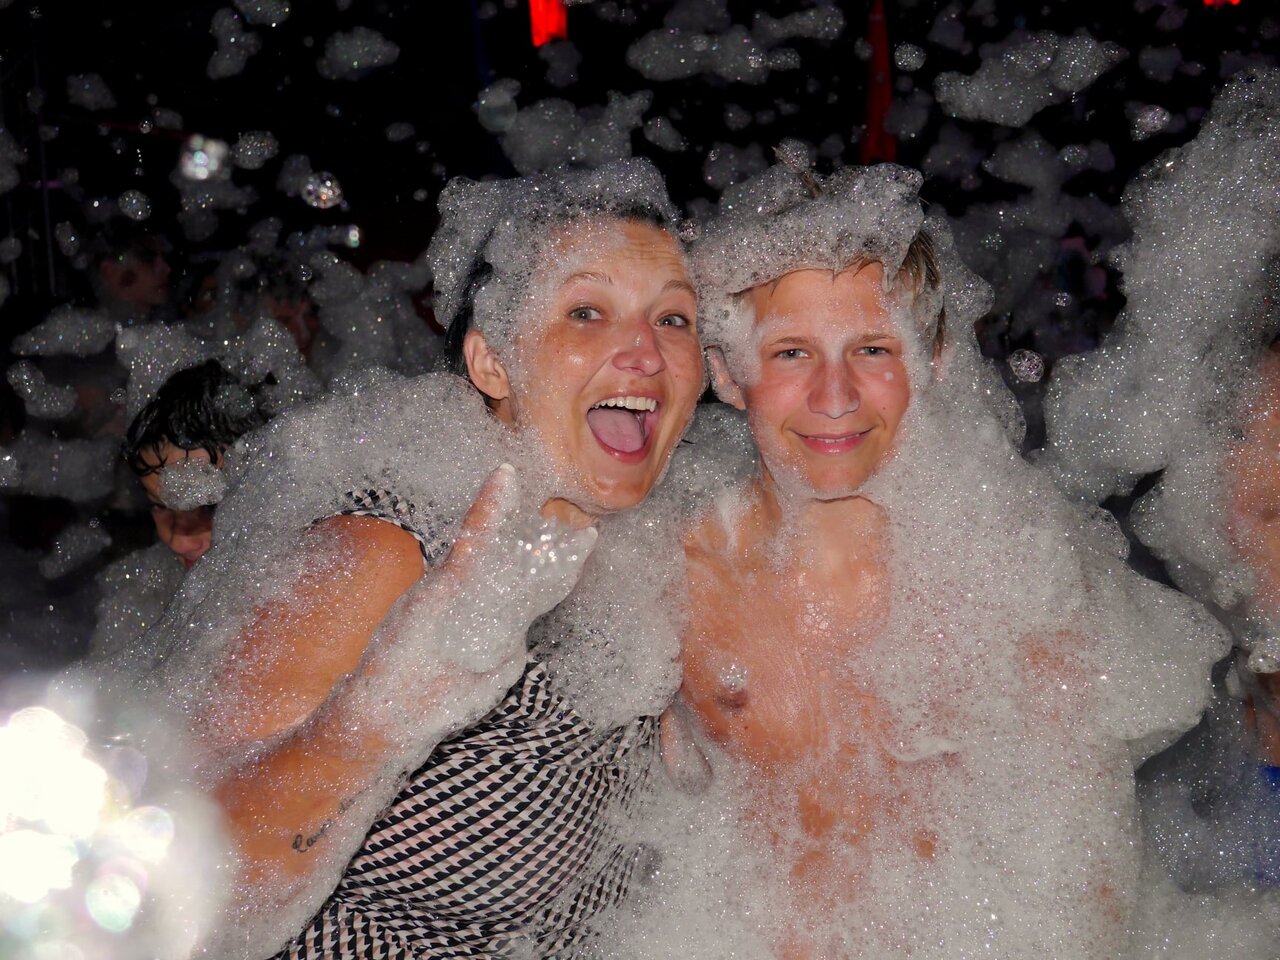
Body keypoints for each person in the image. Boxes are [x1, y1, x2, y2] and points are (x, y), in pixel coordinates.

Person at [136, 158, 704, 959]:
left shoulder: (658, 547)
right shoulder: (388, 550)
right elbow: (174, 885)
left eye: (674, 320)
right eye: (586, 311)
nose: (645, 352)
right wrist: (375, 720)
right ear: (491, 363)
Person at [667, 162, 1225, 958]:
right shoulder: (671, 580)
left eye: (871, 348)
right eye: (791, 353)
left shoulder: (1018, 571)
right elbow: (635, 838)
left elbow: (1086, 887)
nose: (836, 397)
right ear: (728, 373)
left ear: (935, 360)